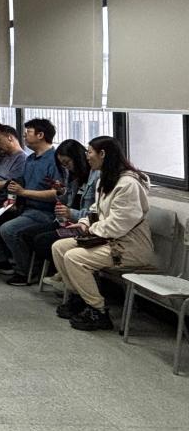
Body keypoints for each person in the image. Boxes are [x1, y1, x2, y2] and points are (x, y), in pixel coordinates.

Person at [53, 136, 154, 331]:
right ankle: (80, 298)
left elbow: (118, 224)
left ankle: (97, 310)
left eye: (90, 152)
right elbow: (95, 210)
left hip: (129, 248)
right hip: (108, 240)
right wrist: (83, 223)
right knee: (59, 247)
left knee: (75, 257)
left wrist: (89, 229)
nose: (87, 156)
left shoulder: (128, 184)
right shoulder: (105, 179)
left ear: (102, 154)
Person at [0, 119, 59, 281]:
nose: (24, 136)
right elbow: (19, 184)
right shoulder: (31, 159)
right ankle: (0, 260)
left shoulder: (54, 160)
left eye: (28, 133)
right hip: (24, 206)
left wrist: (24, 193)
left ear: (40, 135)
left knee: (9, 229)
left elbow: (57, 193)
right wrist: (14, 199)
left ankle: (27, 272)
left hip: (43, 211)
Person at [19, 139, 100, 291]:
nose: (66, 167)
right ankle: (58, 271)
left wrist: (71, 213)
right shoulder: (73, 176)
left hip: (82, 225)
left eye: (67, 163)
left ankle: (63, 274)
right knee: (27, 235)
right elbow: (68, 200)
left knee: (44, 241)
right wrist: (61, 192)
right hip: (67, 221)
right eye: (63, 164)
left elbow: (95, 213)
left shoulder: (96, 177)